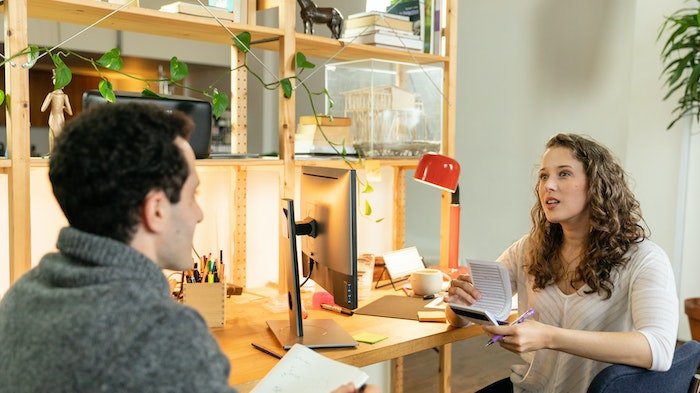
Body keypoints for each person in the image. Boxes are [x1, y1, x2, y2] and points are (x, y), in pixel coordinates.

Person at [0, 103, 376, 393]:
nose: (198, 213)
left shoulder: (20, 299)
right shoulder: (165, 335)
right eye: (192, 194)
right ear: (157, 210)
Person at [446, 133, 678, 393]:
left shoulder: (644, 259)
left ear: (597, 185)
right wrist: (459, 305)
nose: (548, 185)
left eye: (564, 174)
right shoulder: (529, 248)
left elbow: (658, 349)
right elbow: (466, 314)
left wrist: (549, 337)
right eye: (544, 176)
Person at [40, 70, 73, 154]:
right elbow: (70, 112)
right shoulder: (65, 96)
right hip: (61, 118)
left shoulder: (51, 95)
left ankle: (52, 153)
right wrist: (63, 107)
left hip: (53, 117)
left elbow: (42, 109)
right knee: (60, 136)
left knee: (52, 136)